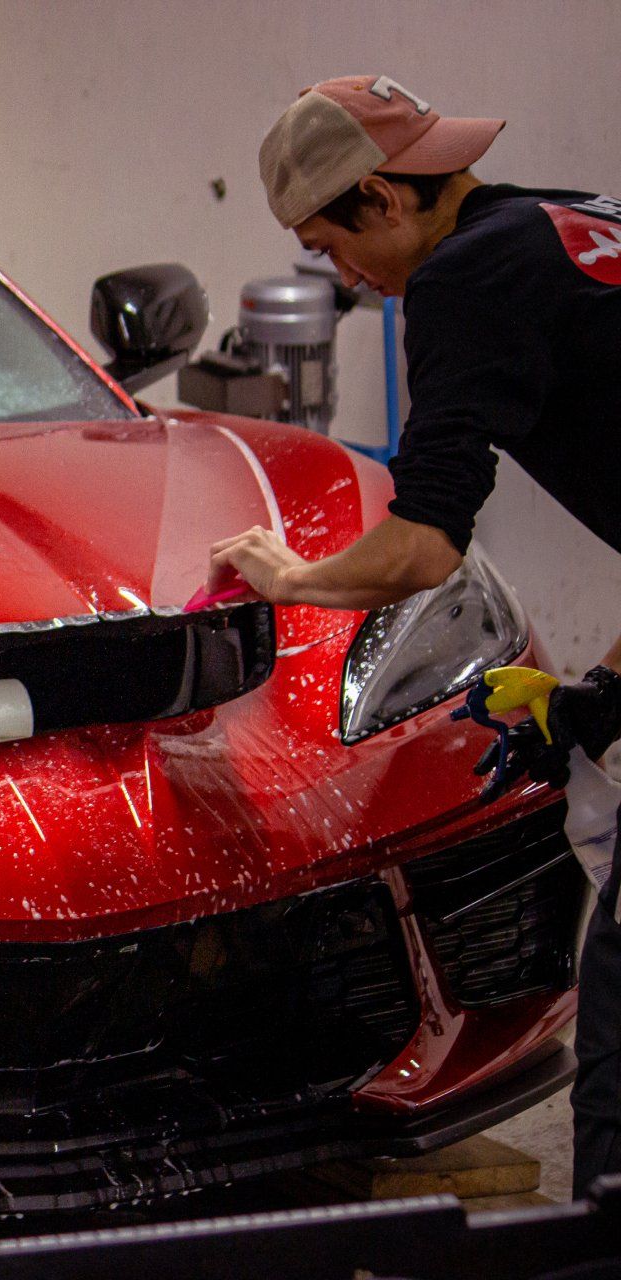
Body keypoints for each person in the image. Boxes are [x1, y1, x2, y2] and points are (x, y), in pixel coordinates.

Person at [206, 73, 621, 1196]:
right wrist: (604, 690)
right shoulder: (570, 225)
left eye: (330, 244)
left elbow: (427, 543)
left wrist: (296, 576)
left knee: (620, 1019)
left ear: (386, 196)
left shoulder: (464, 279)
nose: (342, 278)